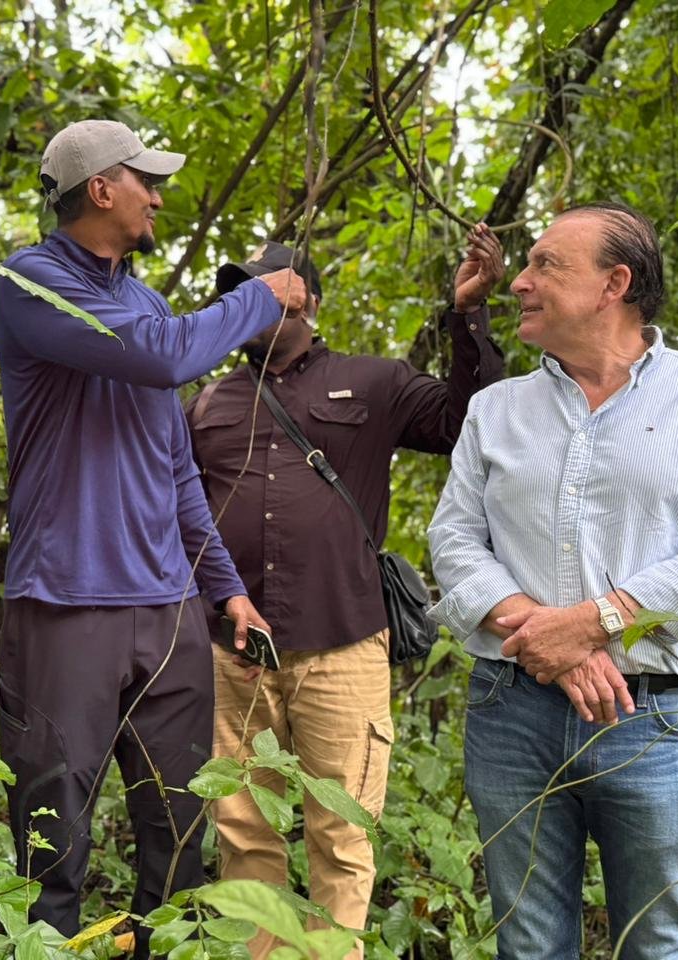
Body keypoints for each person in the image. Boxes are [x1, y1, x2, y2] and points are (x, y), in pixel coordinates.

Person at [0, 119, 306, 955]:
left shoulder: (148, 302)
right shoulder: (31, 283)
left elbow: (175, 471)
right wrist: (261, 295)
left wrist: (225, 589)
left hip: (168, 611)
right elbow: (164, 357)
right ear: (101, 189)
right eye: (146, 181)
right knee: (52, 842)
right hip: (66, 604)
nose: (158, 198)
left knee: (178, 837)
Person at [427, 202, 678, 959]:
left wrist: (594, 621)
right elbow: (452, 538)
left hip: (661, 718)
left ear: (614, 284)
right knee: (527, 947)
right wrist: (545, 635)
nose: (518, 281)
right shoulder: (495, 409)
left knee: (658, 946)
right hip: (512, 709)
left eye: (544, 264)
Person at [186, 231, 505, 958]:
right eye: (240, 296)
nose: (251, 305)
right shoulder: (206, 403)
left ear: (308, 303)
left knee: (342, 834)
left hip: (344, 647)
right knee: (244, 832)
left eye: (267, 291)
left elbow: (467, 421)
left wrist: (468, 316)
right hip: (234, 653)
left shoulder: (373, 380)